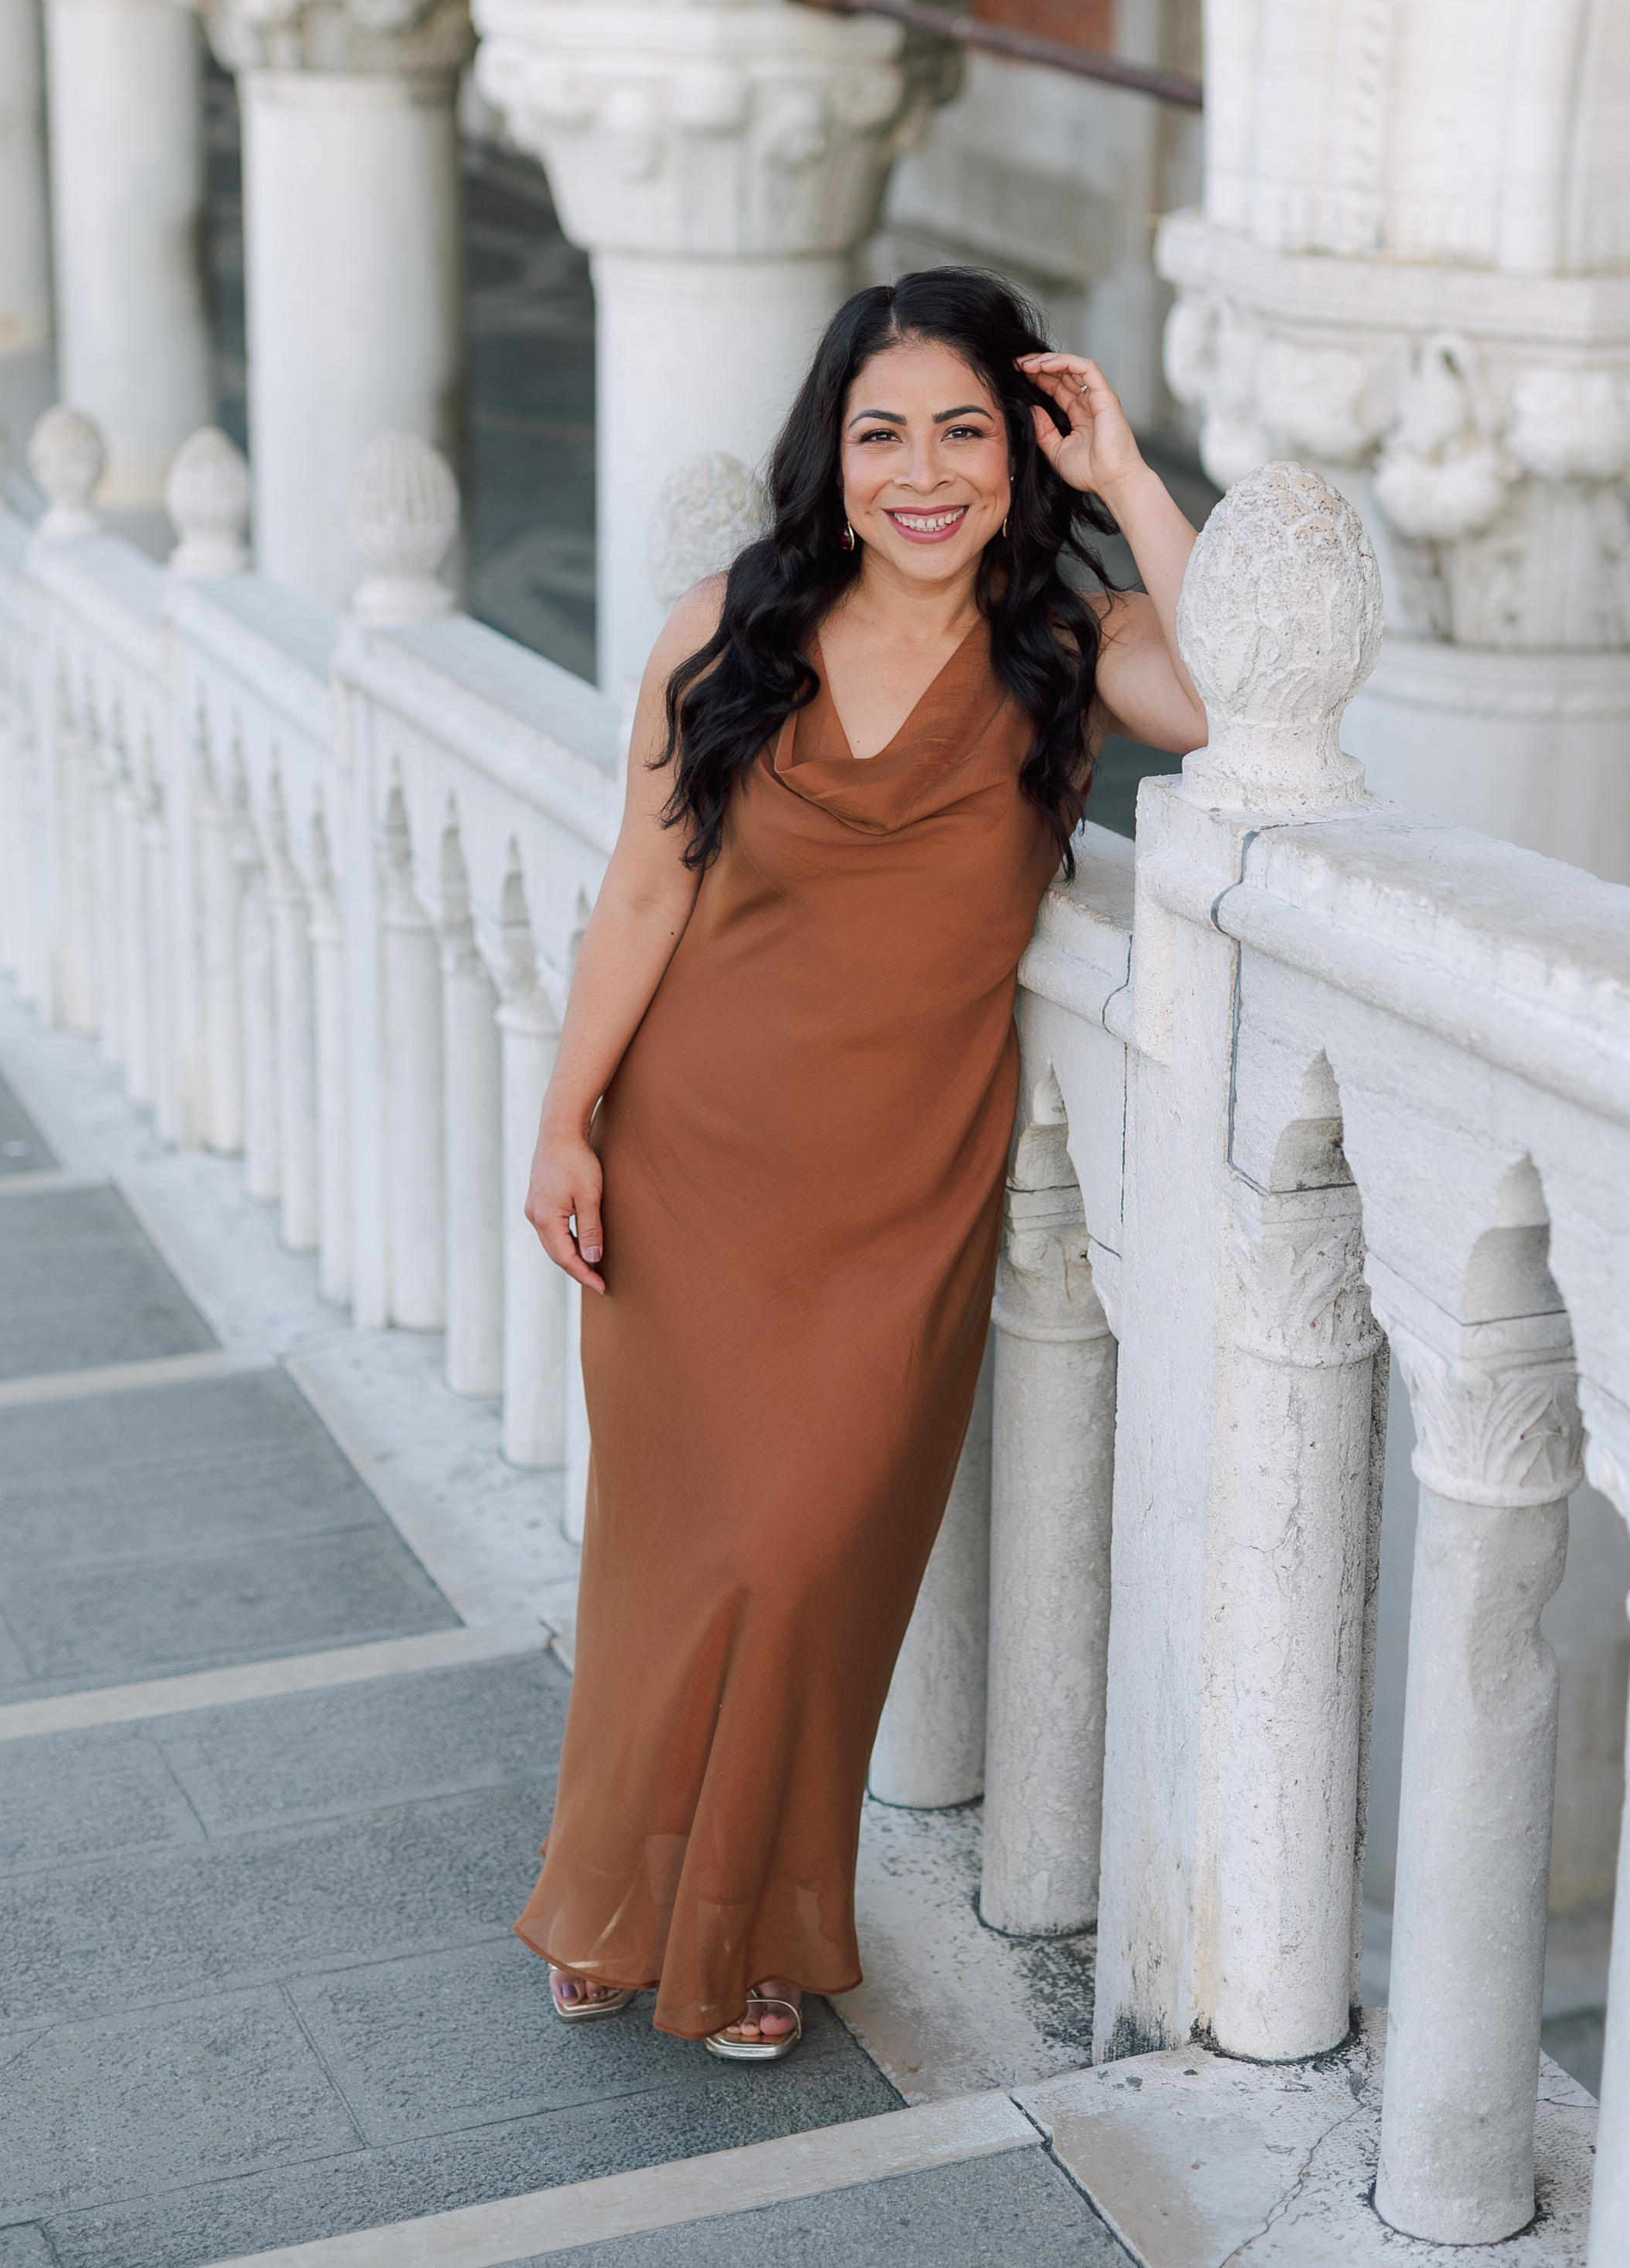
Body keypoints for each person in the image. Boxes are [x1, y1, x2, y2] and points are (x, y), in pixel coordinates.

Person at [516, 267, 1207, 2055]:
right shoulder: (723, 626)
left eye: (964, 432)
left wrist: (1131, 475)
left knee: (809, 1558)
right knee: (674, 1554)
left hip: (898, 1199)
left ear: (1019, 447)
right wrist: (566, 1118)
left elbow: (1225, 696)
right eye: (880, 430)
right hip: (692, 1161)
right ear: (828, 451)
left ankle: (741, 1914)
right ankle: (613, 1894)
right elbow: (642, 885)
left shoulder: (1066, 645)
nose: (921, 473)